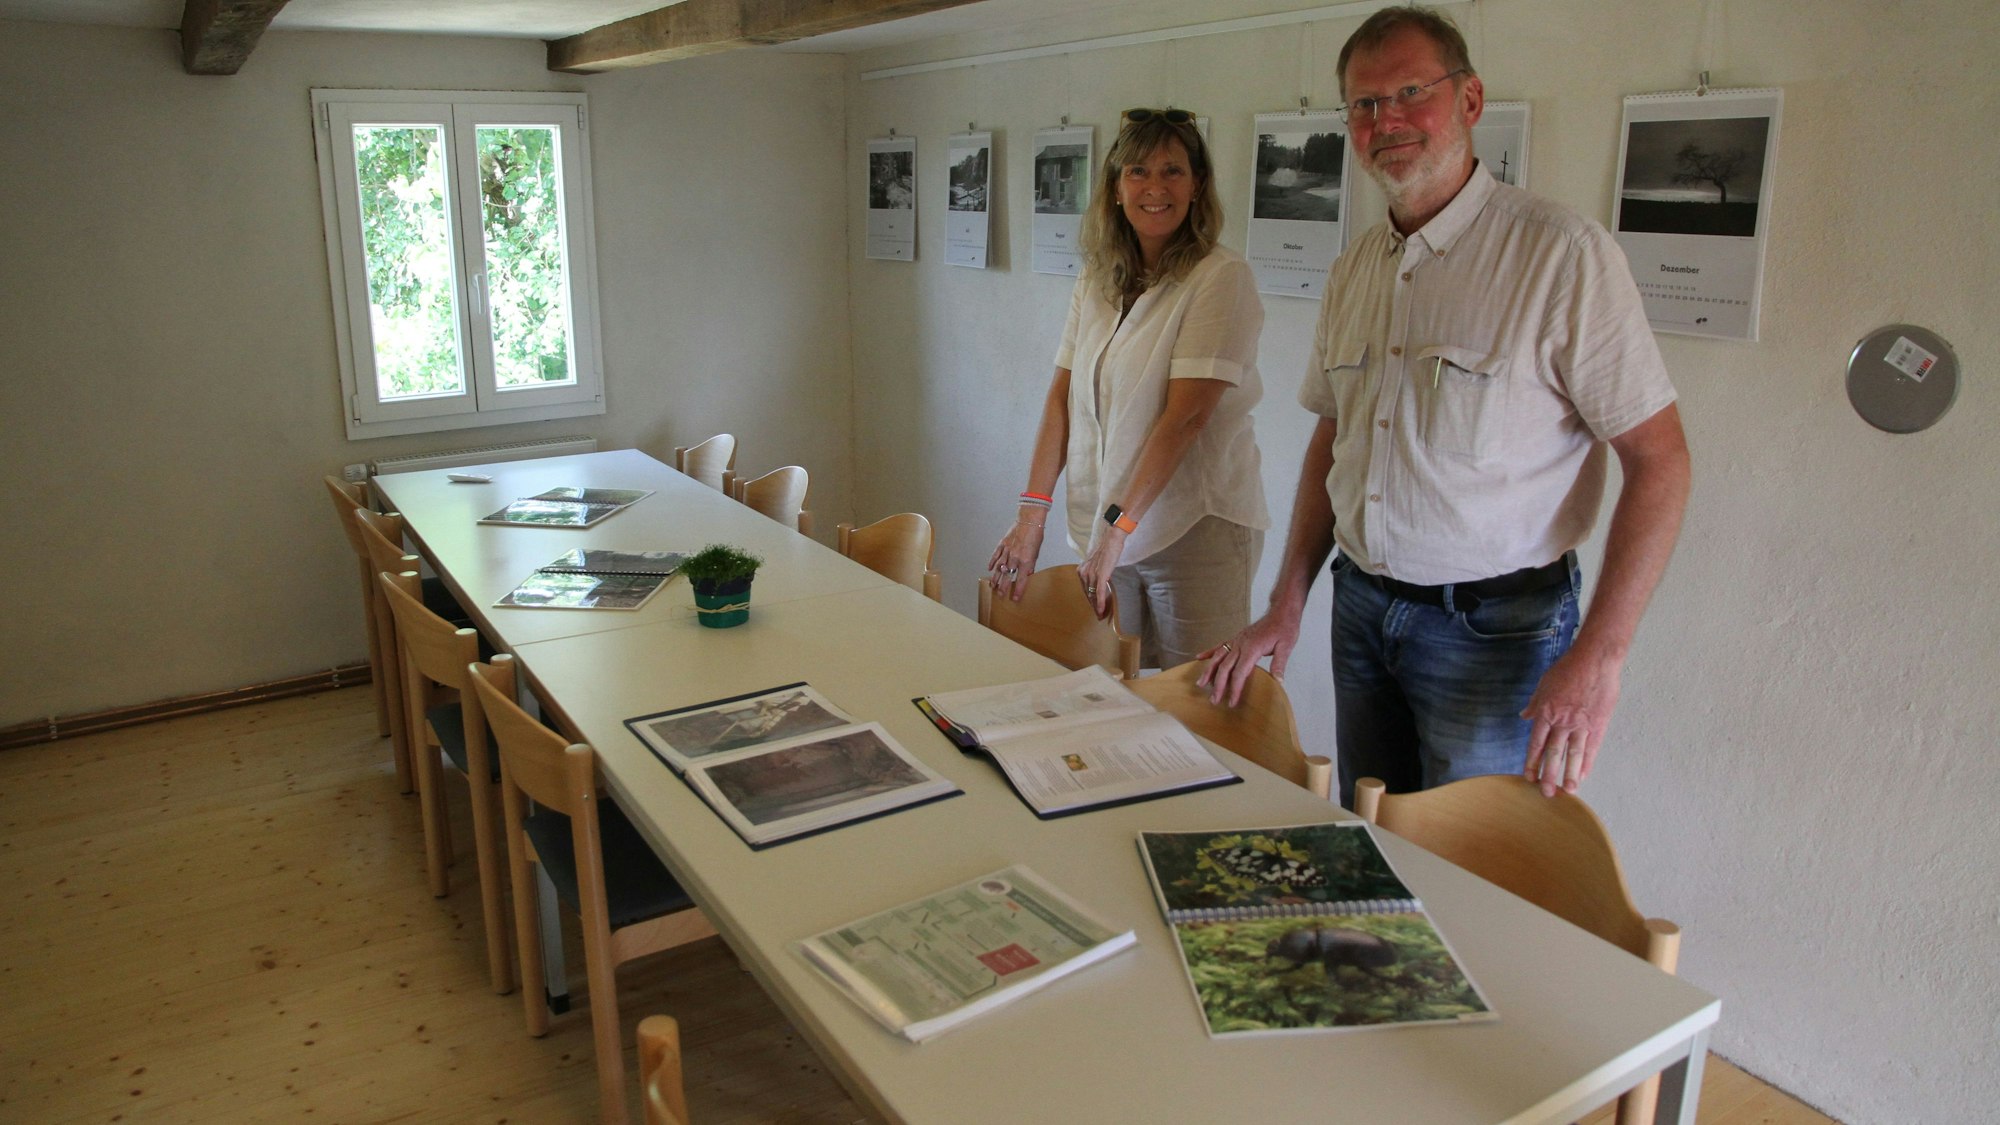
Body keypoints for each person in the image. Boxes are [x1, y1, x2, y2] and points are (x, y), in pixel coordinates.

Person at [1200, 5, 1691, 805]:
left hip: (1498, 634)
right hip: (1360, 609)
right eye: (1362, 104)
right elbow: (1336, 437)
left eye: (1409, 92)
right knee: (1376, 838)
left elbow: (1661, 460)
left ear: (1469, 101)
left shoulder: (1561, 255)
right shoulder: (1356, 268)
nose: (1384, 119)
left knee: (1477, 873)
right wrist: (1286, 601)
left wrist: (1602, 653)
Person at [989, 108, 1269, 670]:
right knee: (1111, 694)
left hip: (1194, 531)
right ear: (1116, 187)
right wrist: (1031, 517)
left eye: (1173, 172)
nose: (1155, 188)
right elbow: (1061, 400)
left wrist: (1118, 532)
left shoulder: (1219, 276)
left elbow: (1185, 419)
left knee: (1195, 709)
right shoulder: (1097, 277)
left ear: (1197, 187)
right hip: (1107, 529)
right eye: (1138, 171)